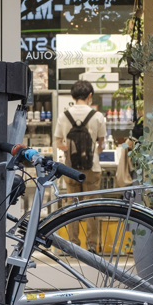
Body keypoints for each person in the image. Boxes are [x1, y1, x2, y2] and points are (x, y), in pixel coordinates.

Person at [54, 80, 108, 251]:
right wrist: (94, 151)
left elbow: (57, 142)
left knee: (72, 204)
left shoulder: (64, 116)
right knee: (91, 206)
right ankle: (92, 245)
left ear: (72, 96)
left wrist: (69, 150)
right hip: (92, 167)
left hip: (70, 167)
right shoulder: (98, 116)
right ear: (90, 96)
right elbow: (101, 144)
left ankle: (73, 245)